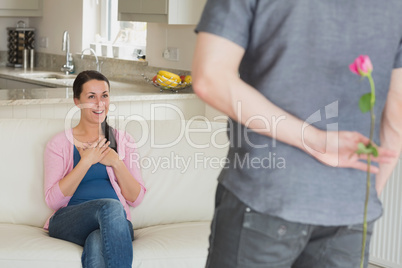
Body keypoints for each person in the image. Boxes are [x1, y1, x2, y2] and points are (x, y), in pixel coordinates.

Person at [192, 1, 402, 267]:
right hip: (349, 206)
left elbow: (210, 78)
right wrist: (365, 193)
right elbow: (397, 110)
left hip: (265, 194)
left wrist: (316, 140)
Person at [43, 70, 146, 268]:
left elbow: (136, 198)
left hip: (115, 225)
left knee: (97, 241)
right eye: (91, 97)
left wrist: (116, 162)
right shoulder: (58, 143)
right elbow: (52, 200)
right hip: (68, 221)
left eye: (104, 96)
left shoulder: (124, 140)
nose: (100, 103)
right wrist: (86, 162)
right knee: (110, 206)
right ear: (77, 101)